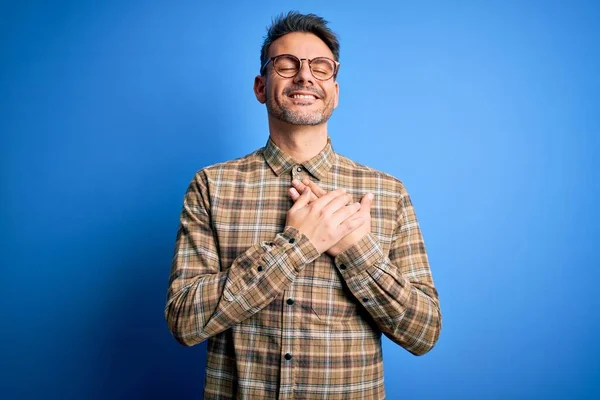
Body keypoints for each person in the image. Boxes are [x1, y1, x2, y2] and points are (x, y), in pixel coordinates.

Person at [165, 11, 442, 399]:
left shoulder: (387, 192)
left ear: (335, 90)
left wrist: (355, 250)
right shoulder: (212, 186)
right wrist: (298, 244)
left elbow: (423, 332)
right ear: (261, 87)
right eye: (286, 64)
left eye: (321, 67)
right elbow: (184, 320)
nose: (305, 76)